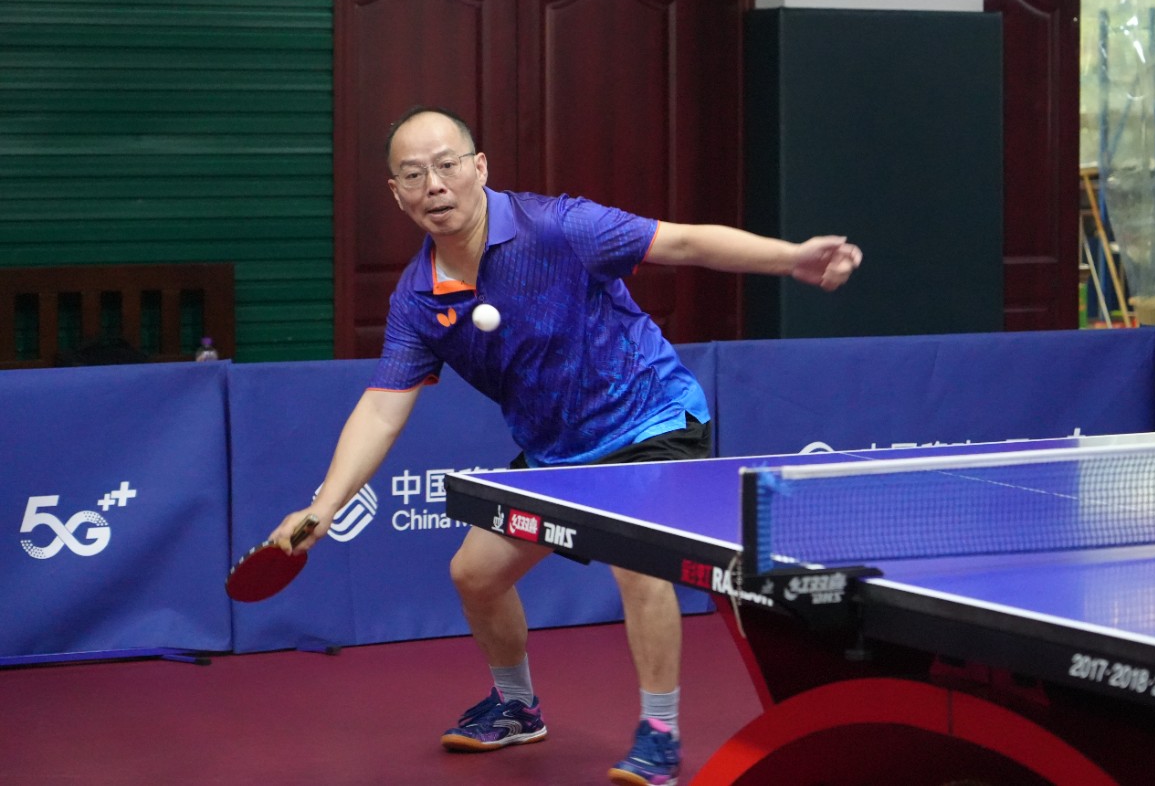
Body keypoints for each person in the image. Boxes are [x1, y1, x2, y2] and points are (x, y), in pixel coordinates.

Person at [270, 106, 862, 786]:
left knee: (639, 561)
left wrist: (792, 258)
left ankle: (660, 732)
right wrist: (324, 505)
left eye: (447, 165)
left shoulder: (559, 227)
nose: (433, 185)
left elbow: (682, 243)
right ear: (396, 193)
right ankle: (517, 707)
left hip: (648, 421)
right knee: (475, 574)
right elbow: (382, 409)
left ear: (479, 168)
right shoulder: (417, 299)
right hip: (558, 452)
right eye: (413, 174)